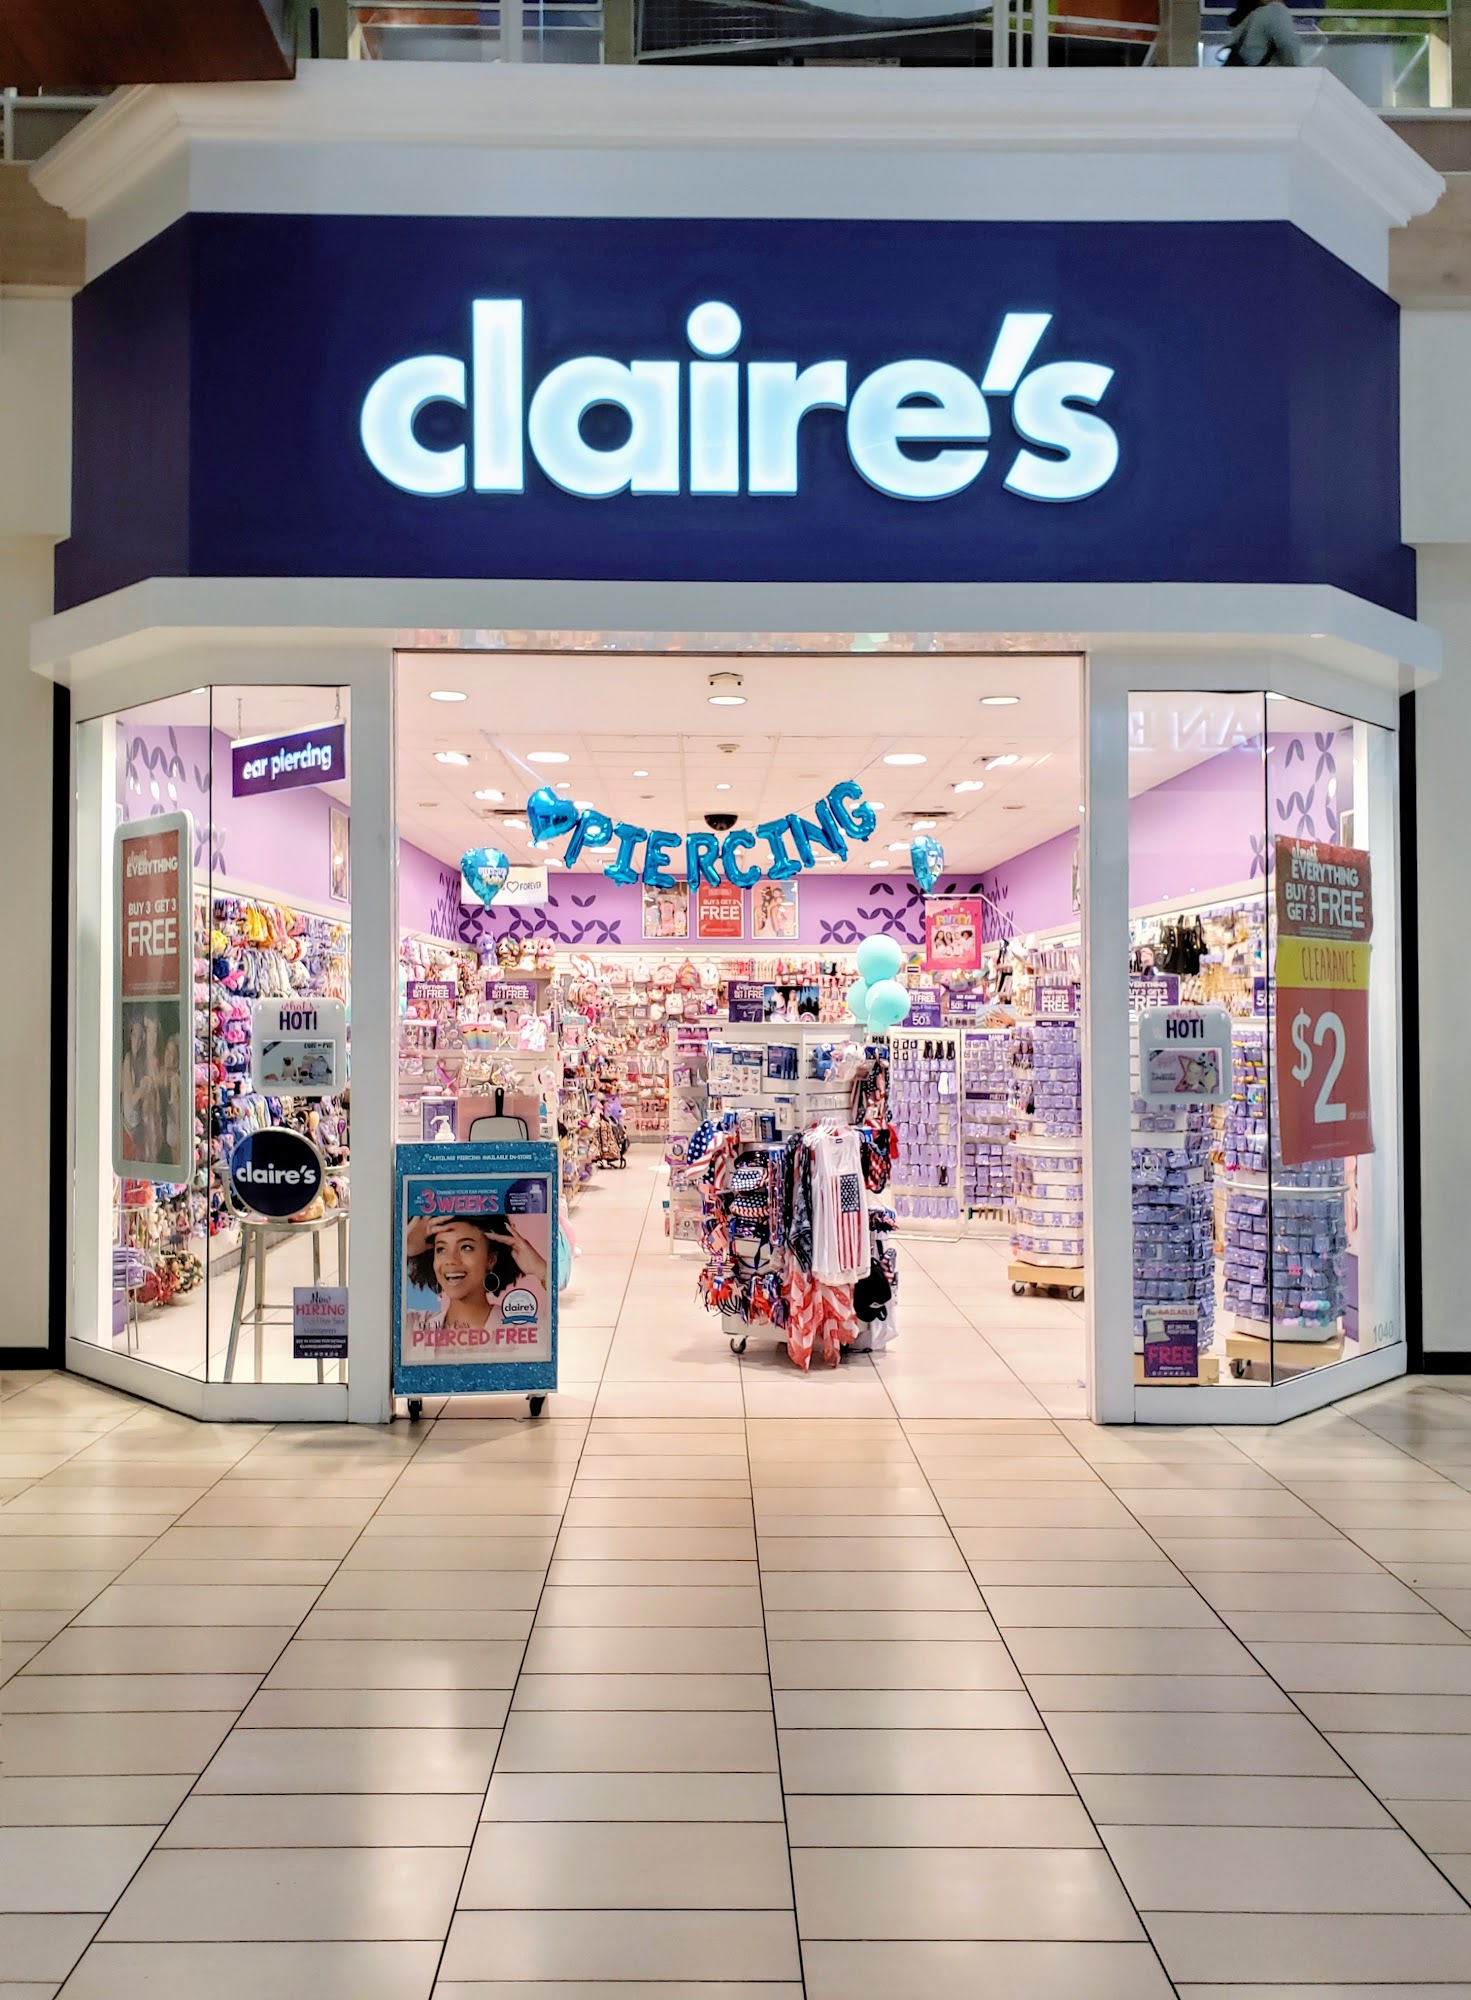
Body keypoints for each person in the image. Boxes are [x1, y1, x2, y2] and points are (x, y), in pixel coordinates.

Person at [404, 1211, 550, 1334]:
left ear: (491, 1259)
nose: (451, 1260)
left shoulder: (523, 1330)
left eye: (466, 1248)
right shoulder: (415, 1327)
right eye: (441, 1249)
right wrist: (404, 1249)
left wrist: (541, 1270)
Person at [1224, 0, 1303, 65]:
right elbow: (1288, 44)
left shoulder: (1247, 19)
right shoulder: (1275, 10)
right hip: (1267, 76)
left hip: (1243, 75)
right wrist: (1297, 71)